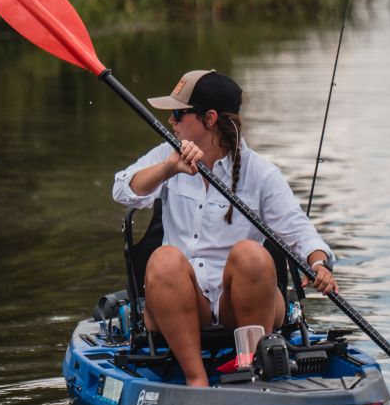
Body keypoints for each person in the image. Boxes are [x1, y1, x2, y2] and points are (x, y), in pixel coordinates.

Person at [112, 69, 337, 387]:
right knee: (164, 259)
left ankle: (250, 367)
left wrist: (318, 263)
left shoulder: (260, 172)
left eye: (178, 114)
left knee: (252, 255)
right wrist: (168, 169)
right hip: (185, 304)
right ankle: (196, 380)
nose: (171, 123)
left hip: (244, 306)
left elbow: (298, 231)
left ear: (209, 119)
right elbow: (121, 190)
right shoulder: (167, 152)